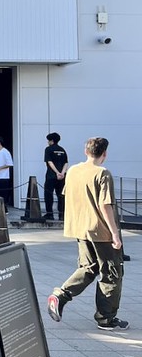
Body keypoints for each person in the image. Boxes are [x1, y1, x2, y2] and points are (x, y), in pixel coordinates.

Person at [47, 137, 128, 331]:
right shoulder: (102, 173)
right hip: (101, 230)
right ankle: (106, 318)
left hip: (80, 228)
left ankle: (60, 295)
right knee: (112, 272)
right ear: (104, 154)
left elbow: (68, 195)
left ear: (86, 151)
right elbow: (105, 205)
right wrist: (115, 234)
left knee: (89, 268)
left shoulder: (73, 170)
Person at [44, 132, 69, 221]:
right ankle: (61, 215)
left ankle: (49, 214)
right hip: (62, 177)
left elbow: (49, 162)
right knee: (61, 196)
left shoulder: (48, 149)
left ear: (51, 141)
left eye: (48, 140)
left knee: (48, 194)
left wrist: (57, 172)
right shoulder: (62, 149)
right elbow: (66, 163)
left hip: (51, 175)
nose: (48, 142)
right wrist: (62, 173)